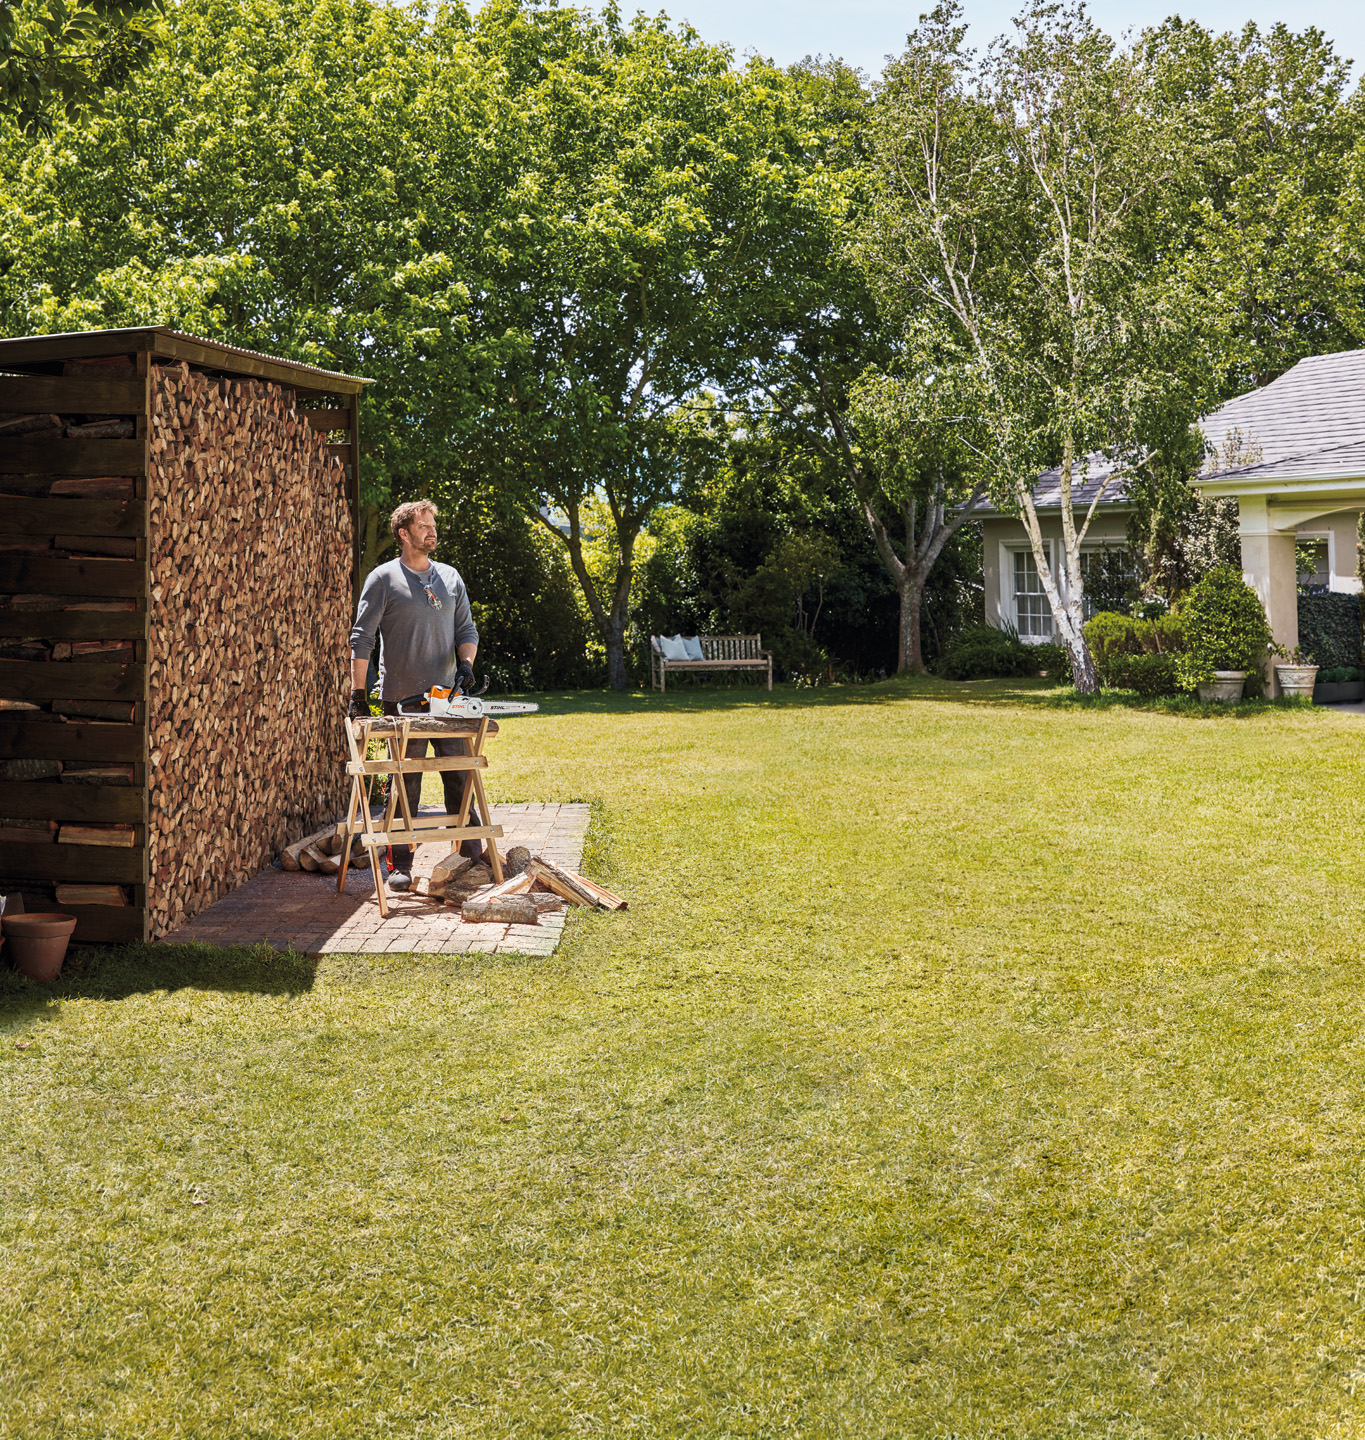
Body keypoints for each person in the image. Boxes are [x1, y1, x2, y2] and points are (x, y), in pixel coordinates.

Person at [348, 499, 483, 892]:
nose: (431, 530)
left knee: (460, 776)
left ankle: (470, 855)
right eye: (423, 525)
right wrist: (359, 695)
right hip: (401, 699)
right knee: (405, 784)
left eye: (433, 524)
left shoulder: (451, 577)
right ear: (404, 534)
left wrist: (466, 665)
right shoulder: (383, 579)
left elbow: (467, 631)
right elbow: (362, 638)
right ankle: (401, 865)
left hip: (448, 701)